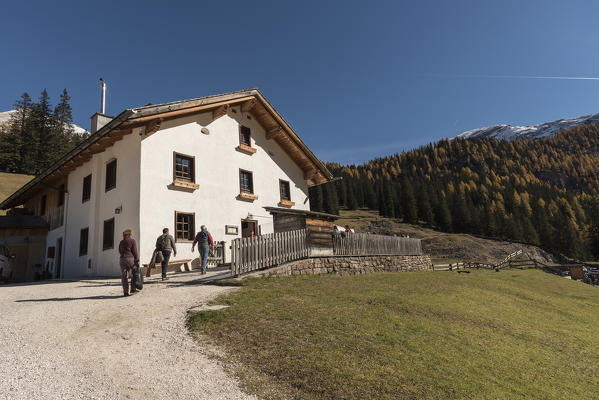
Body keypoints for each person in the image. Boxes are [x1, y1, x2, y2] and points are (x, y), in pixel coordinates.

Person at [118, 229, 139, 297]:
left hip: (122, 259)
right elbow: (135, 251)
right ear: (130, 234)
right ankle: (133, 288)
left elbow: (120, 251)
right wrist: (137, 259)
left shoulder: (121, 242)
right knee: (134, 272)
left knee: (124, 275)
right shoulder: (132, 241)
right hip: (130, 258)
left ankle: (125, 292)